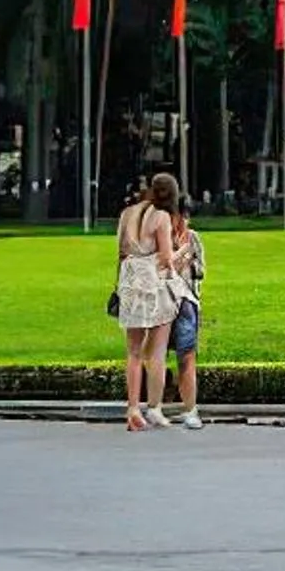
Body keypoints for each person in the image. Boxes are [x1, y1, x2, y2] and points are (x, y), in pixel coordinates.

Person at [112, 173, 180, 431]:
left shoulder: (127, 213)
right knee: (158, 350)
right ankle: (154, 408)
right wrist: (183, 253)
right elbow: (165, 258)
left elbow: (120, 251)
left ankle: (132, 408)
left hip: (129, 281)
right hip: (153, 285)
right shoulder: (161, 217)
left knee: (133, 351)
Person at [165, 191, 206, 430]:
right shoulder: (159, 239)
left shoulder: (193, 238)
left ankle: (190, 409)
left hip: (187, 301)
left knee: (187, 354)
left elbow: (200, 271)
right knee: (155, 356)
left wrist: (186, 260)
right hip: (161, 302)